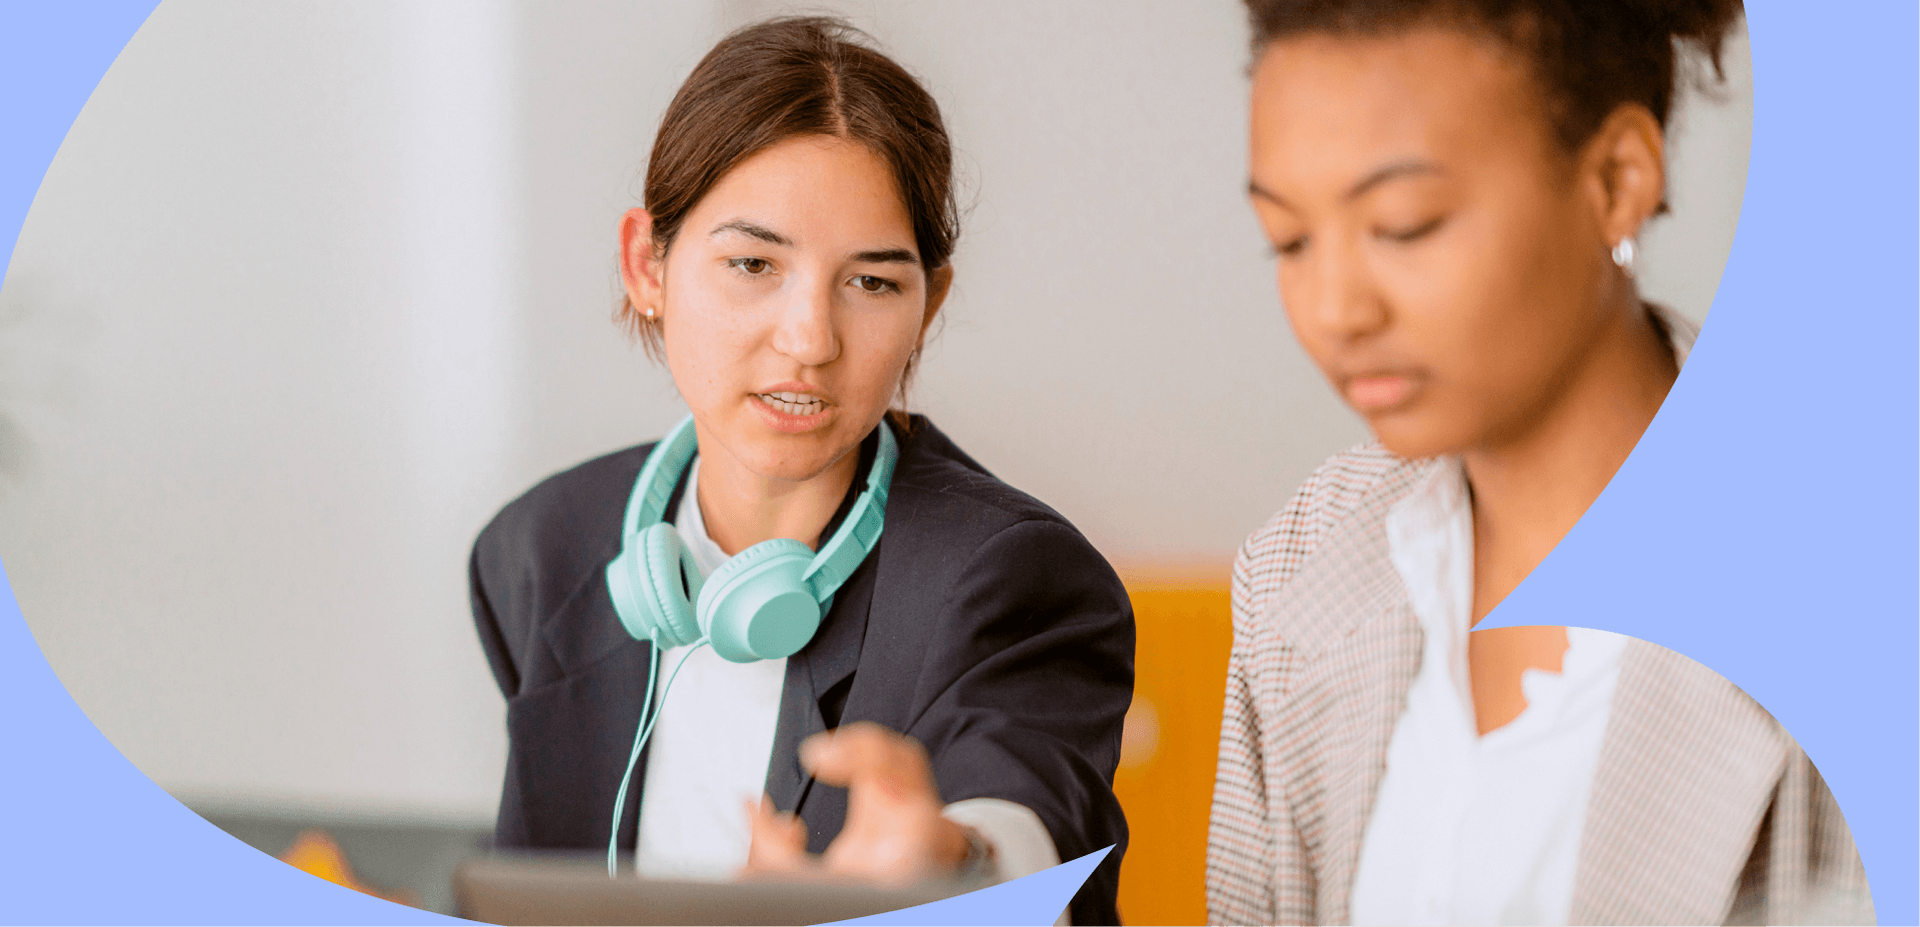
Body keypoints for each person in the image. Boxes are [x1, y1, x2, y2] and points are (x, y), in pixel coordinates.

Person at [1206, 1, 1873, 925]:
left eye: (1403, 224)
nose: (1334, 310)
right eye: (1290, 239)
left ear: (1616, 179)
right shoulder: (1298, 562)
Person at [467, 18, 1131, 926]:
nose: (810, 341)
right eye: (752, 264)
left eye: (872, 283)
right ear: (646, 265)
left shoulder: (1004, 576)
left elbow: (1027, 824)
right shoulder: (540, 551)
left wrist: (953, 863)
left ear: (928, 305)